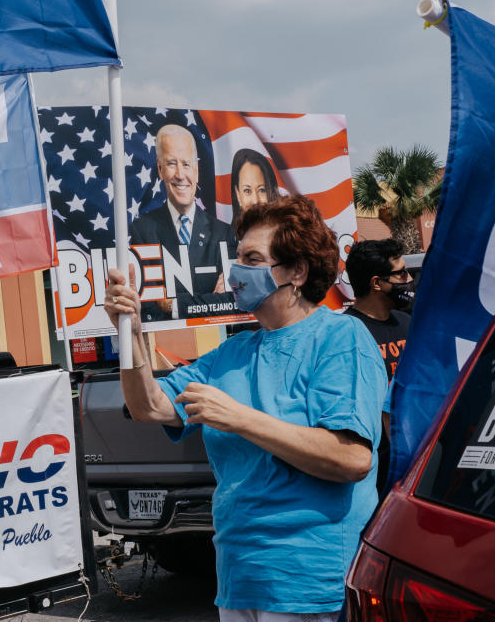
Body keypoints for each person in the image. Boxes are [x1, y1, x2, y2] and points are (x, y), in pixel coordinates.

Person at [105, 196, 386, 619]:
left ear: (296, 271)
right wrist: (130, 333)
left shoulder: (341, 337)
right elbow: (150, 406)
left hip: (309, 584)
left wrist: (239, 418)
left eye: (252, 258)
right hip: (238, 579)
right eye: (237, 257)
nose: (236, 270)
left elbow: (350, 458)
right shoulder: (231, 353)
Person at [130, 124, 234, 322]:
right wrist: (208, 301)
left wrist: (171, 304)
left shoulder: (223, 233)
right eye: (171, 163)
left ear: (196, 170)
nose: (180, 174)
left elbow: (228, 304)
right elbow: (148, 308)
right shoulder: (142, 230)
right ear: (160, 169)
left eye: (186, 164)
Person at [344, 238, 416, 493]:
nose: (408, 280)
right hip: (375, 476)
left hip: (414, 465)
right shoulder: (345, 334)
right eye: (401, 273)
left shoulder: (407, 322)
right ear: (377, 283)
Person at [230, 148, 280, 220]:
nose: (255, 200)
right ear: (238, 194)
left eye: (261, 190)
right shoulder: (226, 230)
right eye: (247, 191)